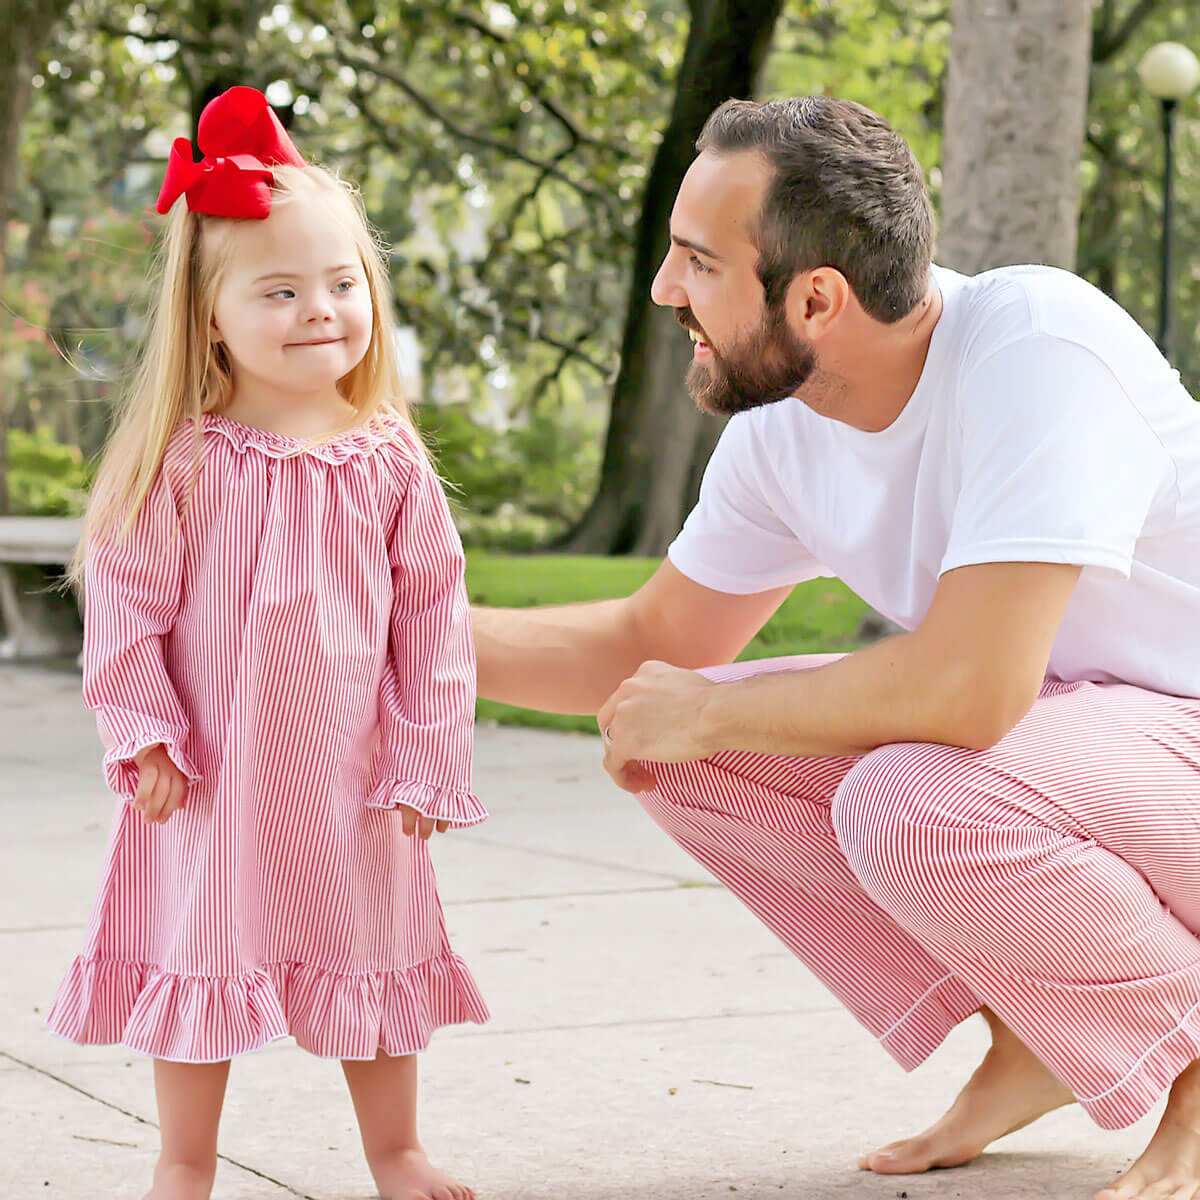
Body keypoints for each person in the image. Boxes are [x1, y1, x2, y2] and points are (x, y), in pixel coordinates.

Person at [472, 95, 1200, 1200]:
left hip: (1176, 733)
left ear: (816, 298)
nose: (665, 289)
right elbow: (652, 642)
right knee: (679, 748)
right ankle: (1046, 1038)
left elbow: (973, 688)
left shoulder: (1036, 346)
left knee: (913, 803)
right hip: (1098, 744)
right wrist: (398, 634)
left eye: (698, 262)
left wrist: (711, 707)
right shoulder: (784, 430)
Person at [48, 86, 485, 1200]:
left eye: (342, 283)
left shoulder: (389, 458)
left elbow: (434, 617)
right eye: (280, 291)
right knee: (202, 952)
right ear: (210, 316)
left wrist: (429, 753)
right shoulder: (187, 461)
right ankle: (184, 1160)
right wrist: (145, 730)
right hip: (217, 772)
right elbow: (128, 606)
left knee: (371, 951)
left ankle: (396, 1150)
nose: (319, 310)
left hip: (354, 771)